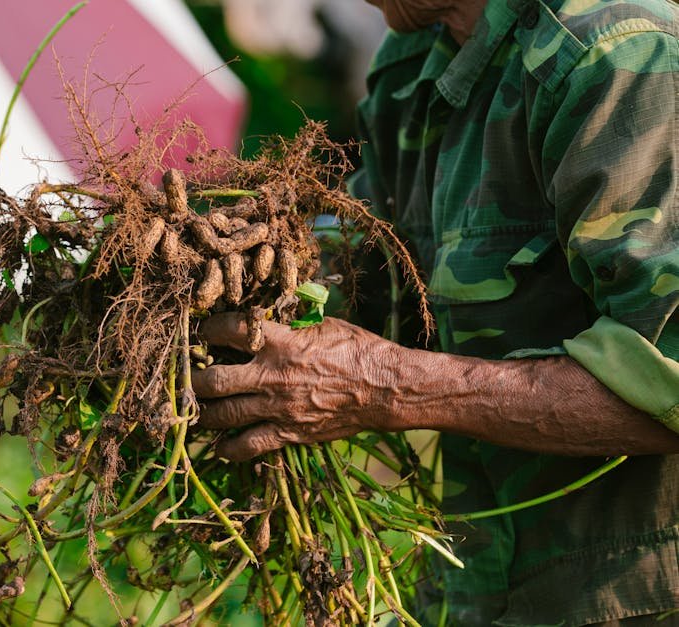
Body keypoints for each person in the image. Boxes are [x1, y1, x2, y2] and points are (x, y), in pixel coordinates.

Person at [191, 0, 679, 624]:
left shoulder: (618, 56)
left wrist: (381, 386)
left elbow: (667, 381)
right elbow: (383, 270)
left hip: (632, 596)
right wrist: (222, 267)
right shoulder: (417, 53)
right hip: (473, 591)